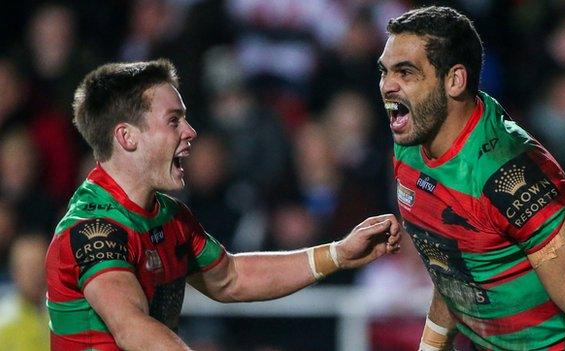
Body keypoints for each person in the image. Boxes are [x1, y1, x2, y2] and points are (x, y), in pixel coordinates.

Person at [45, 59, 403, 351]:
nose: (190, 131)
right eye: (173, 120)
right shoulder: (92, 229)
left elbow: (231, 277)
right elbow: (132, 328)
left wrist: (338, 253)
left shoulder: (170, 216)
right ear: (127, 137)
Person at [377, 6, 565, 351]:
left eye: (406, 72)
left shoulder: (507, 173)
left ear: (454, 80)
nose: (388, 85)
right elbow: (452, 264)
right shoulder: (410, 141)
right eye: (385, 71)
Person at [0, 233, 50, 351]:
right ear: (14, 271)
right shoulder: (3, 318)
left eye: (39, 265)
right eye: (28, 267)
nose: (35, 274)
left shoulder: (64, 312)